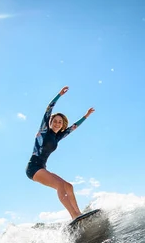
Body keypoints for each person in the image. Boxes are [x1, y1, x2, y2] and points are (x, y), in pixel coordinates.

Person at [26, 86, 95, 220]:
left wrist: (86, 116)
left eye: (60, 122)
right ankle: (74, 215)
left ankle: (79, 214)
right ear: (50, 122)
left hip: (42, 167)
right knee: (59, 185)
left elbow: (73, 128)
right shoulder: (44, 130)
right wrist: (59, 95)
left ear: (62, 124)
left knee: (68, 186)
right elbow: (48, 109)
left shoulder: (57, 137)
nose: (57, 124)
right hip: (33, 168)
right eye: (55, 121)